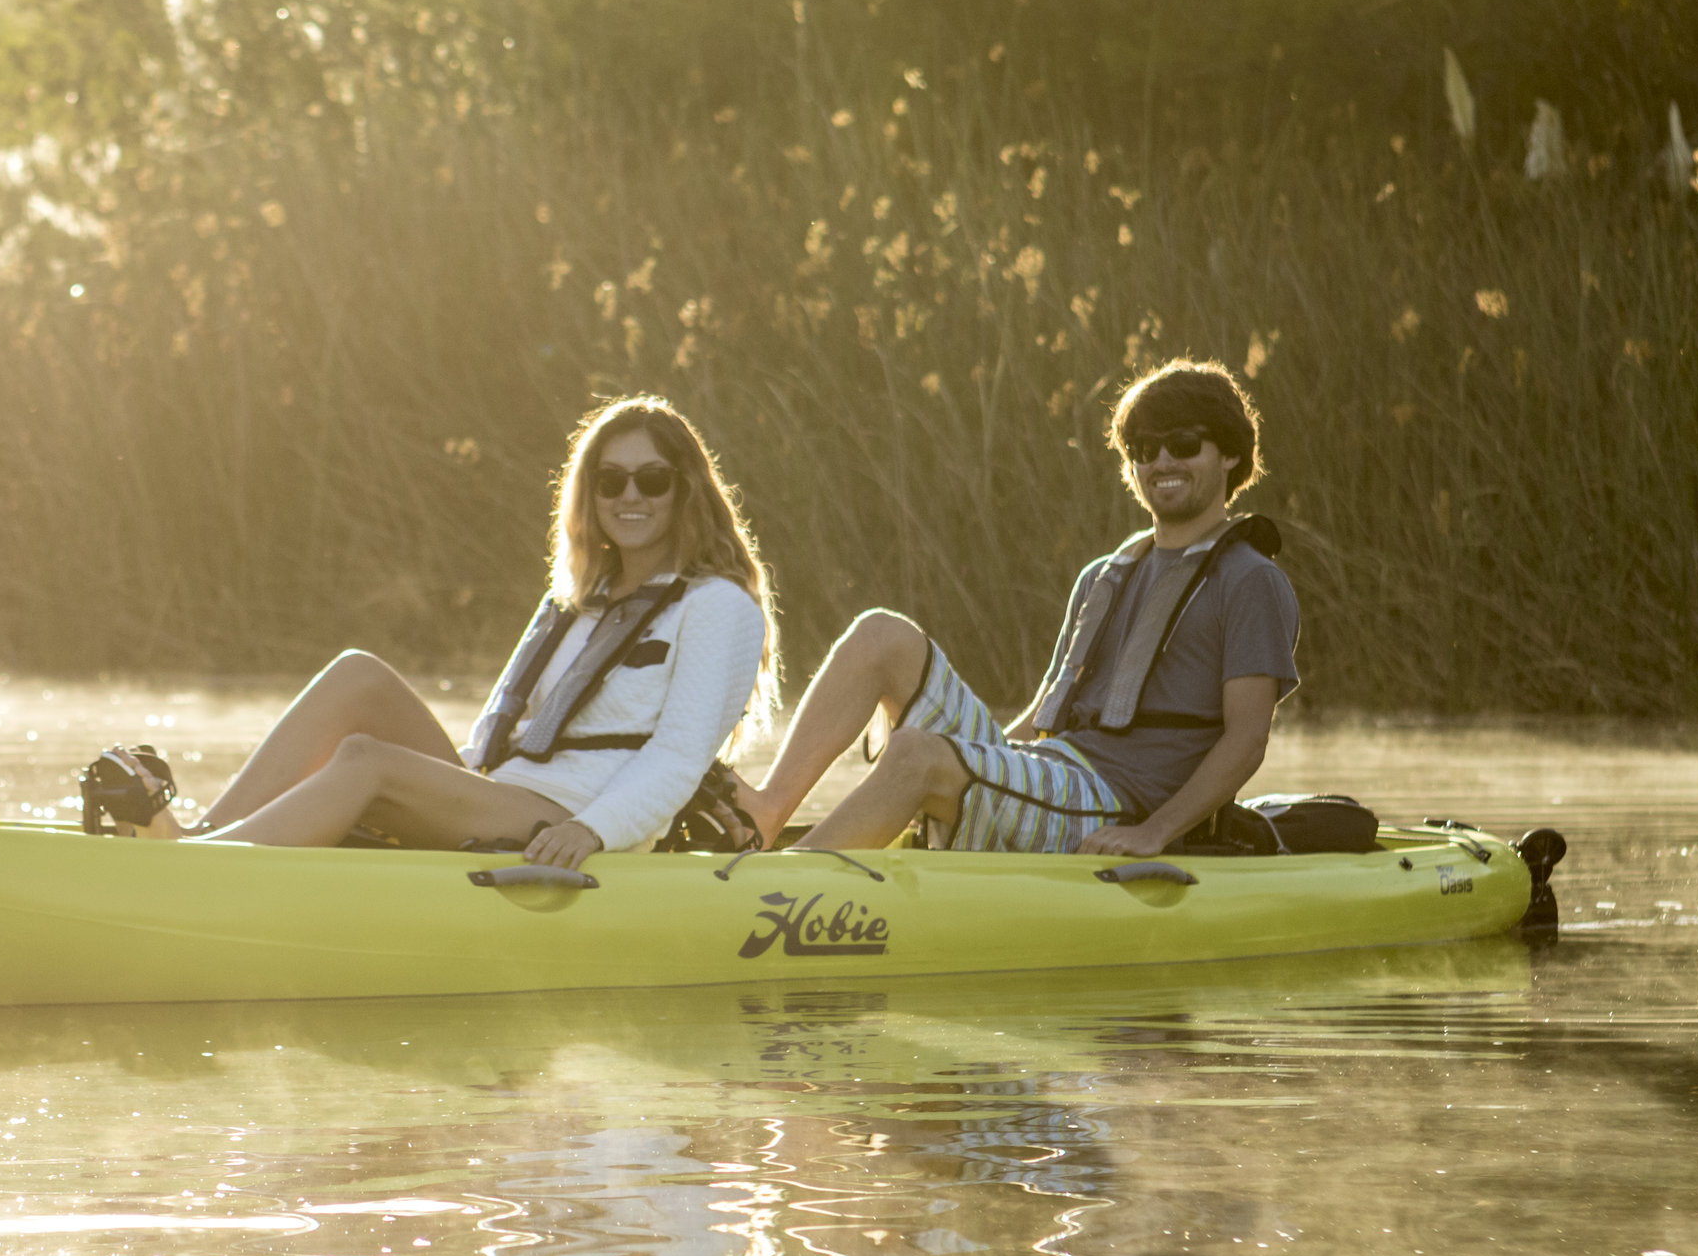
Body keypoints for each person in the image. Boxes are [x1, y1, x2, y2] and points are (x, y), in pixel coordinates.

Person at [106, 396, 778, 871]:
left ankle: (203, 867)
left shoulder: (719, 605)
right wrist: (443, 790)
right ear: (590, 494)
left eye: (651, 479)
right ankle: (203, 836)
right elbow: (503, 737)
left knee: (367, 758)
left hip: (571, 824)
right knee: (357, 674)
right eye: (611, 480)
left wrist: (593, 829)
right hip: (504, 794)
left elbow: (679, 757)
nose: (630, 495)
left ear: (685, 489)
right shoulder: (577, 598)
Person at [740, 358, 1298, 859]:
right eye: (1145, 450)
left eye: (1182, 443)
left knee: (913, 753)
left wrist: (1153, 832)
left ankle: (778, 889)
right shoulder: (1105, 574)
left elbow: (1246, 740)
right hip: (1050, 775)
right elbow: (1041, 718)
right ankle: (766, 815)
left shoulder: (1250, 581)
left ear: (1229, 453)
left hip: (1119, 803)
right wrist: (970, 770)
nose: (1161, 462)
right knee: (880, 635)